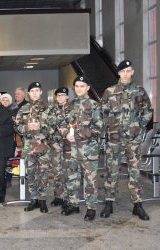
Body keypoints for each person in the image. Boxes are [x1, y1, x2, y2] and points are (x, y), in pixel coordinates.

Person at [100, 60, 152, 221]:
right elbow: (103, 113)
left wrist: (138, 126)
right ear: (118, 73)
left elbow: (148, 112)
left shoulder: (139, 91)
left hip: (133, 139)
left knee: (134, 171)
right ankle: (109, 202)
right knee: (112, 170)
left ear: (132, 72)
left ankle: (137, 205)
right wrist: (110, 127)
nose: (125, 74)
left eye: (128, 71)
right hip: (114, 139)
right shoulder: (110, 91)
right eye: (122, 71)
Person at [60, 76, 103, 221]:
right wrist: (66, 133)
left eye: (82, 86)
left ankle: (91, 208)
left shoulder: (95, 105)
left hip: (88, 150)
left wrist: (77, 134)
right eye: (77, 86)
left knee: (90, 180)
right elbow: (61, 124)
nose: (79, 88)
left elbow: (98, 127)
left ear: (88, 88)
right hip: (71, 149)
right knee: (72, 178)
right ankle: (73, 204)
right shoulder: (68, 106)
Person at [15, 82, 52, 213]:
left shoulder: (49, 107)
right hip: (29, 146)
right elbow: (18, 126)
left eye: (37, 90)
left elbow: (54, 125)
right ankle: (34, 199)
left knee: (43, 173)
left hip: (43, 146)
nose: (35, 93)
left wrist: (41, 127)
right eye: (32, 91)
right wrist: (27, 128)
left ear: (41, 92)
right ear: (28, 94)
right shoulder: (24, 108)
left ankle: (42, 200)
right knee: (30, 174)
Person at [46, 87, 70, 207]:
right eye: (58, 95)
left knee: (68, 172)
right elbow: (46, 128)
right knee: (56, 173)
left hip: (70, 147)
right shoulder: (50, 110)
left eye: (63, 95)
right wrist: (52, 143)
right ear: (55, 97)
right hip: (55, 146)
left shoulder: (73, 110)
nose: (60, 97)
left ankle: (68, 198)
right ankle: (58, 196)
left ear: (67, 97)